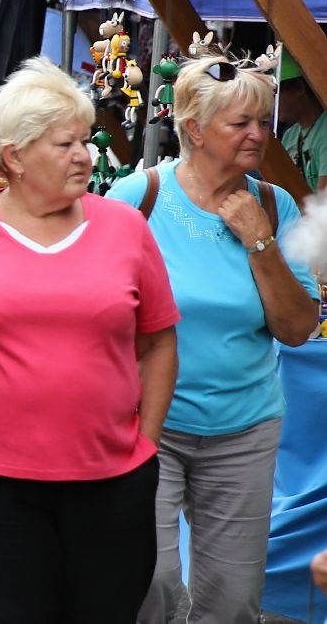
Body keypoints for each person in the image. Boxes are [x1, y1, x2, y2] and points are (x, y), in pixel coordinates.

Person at [0, 57, 180, 624]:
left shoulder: (124, 228)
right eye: (65, 144)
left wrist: (144, 446)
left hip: (110, 478)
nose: (86, 155)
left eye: (85, 141)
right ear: (15, 157)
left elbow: (159, 342)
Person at [106, 55, 321, 624]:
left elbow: (298, 328)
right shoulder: (138, 197)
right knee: (145, 580)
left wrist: (260, 241)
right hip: (146, 421)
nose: (258, 134)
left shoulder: (273, 206)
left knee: (231, 600)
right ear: (195, 129)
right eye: (240, 123)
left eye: (263, 121)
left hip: (244, 429)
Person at [277, 55, 327, 192]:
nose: (273, 102)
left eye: (276, 92)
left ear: (299, 87)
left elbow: (324, 200)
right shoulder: (289, 135)